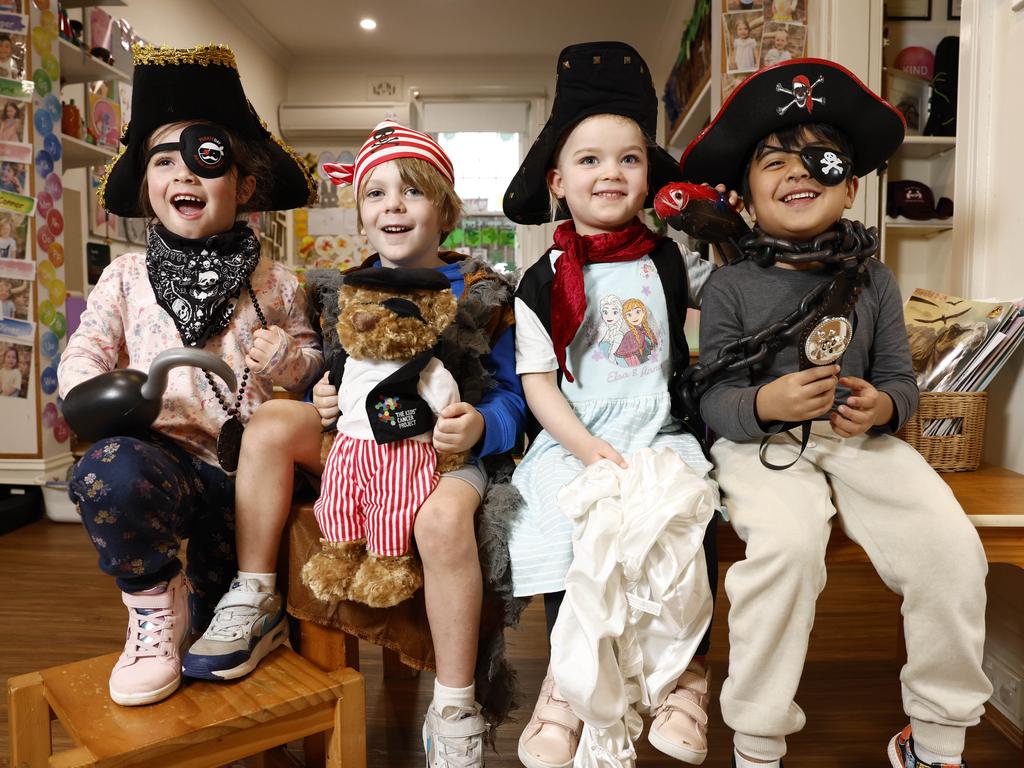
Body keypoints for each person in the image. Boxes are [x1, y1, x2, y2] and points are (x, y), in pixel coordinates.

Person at [681, 59, 991, 768]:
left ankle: (936, 736)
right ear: (748, 191)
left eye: (820, 160)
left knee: (950, 549)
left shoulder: (873, 277)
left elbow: (898, 382)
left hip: (858, 443)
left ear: (850, 185)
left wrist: (884, 406)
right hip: (761, 445)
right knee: (787, 549)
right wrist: (764, 402)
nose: (798, 172)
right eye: (774, 160)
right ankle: (757, 742)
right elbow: (713, 399)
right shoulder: (728, 286)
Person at [186, 120, 525, 768]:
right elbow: (340, 378)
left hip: (447, 452)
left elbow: (513, 396)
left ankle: (454, 706)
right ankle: (254, 593)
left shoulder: (483, 295)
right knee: (271, 425)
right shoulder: (341, 289)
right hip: (363, 446)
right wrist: (320, 395)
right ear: (362, 216)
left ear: (445, 209)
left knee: (446, 519)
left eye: (413, 192)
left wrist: (483, 425)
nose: (393, 205)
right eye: (376, 194)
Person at [58, 44, 321, 707]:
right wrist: (84, 392)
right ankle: (151, 605)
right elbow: (87, 347)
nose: (184, 174)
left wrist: (284, 358)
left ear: (245, 185)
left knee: (229, 644)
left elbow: (315, 364)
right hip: (161, 458)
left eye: (205, 161)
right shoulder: (125, 275)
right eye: (163, 160)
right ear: (148, 185)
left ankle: (228, 630)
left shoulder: (278, 281)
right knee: (104, 472)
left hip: (250, 478)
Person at [503, 41, 721, 767]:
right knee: (563, 527)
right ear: (558, 182)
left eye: (629, 159)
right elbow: (538, 382)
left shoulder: (666, 259)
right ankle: (568, 684)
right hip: (578, 432)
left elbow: (718, 312)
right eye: (590, 160)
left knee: (687, 515)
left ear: (651, 177)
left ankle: (686, 677)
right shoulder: (541, 281)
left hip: (656, 426)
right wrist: (587, 447)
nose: (611, 173)